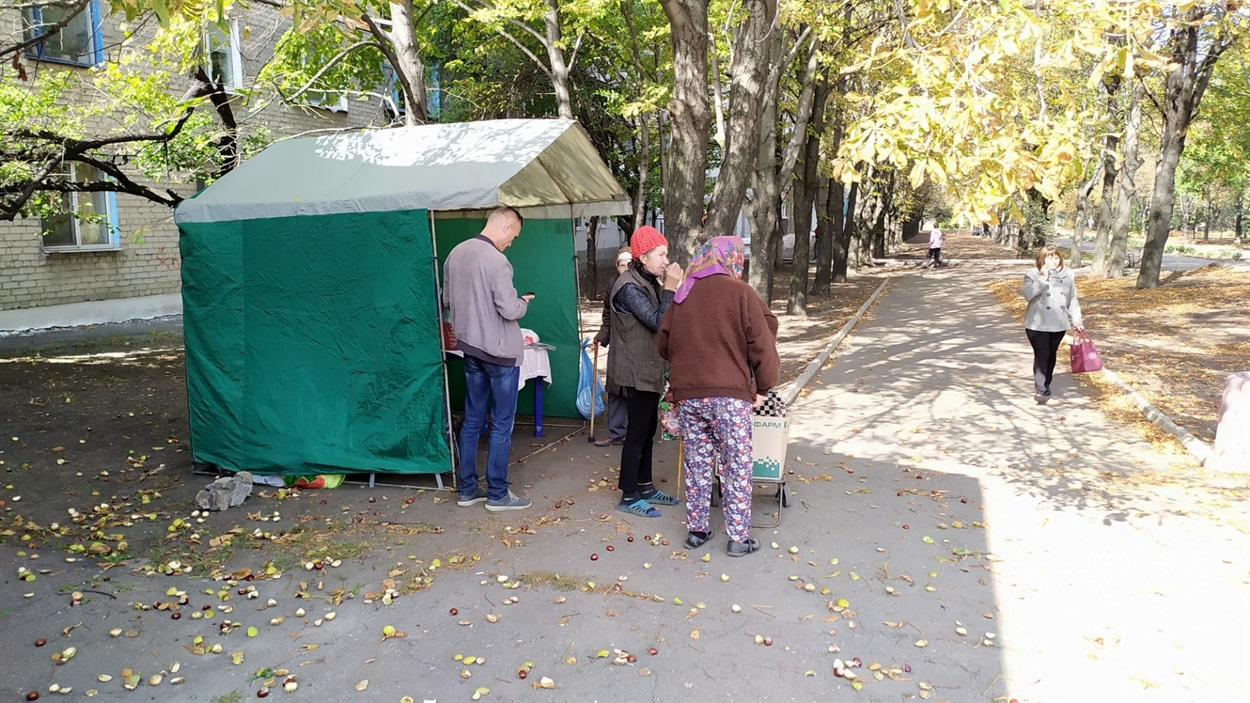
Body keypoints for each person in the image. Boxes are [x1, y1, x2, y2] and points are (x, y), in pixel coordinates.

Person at [656, 236, 779, 557]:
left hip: (689, 396)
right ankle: (738, 538)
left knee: (698, 463)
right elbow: (764, 343)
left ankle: (697, 530)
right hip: (729, 396)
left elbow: (662, 345)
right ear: (733, 260)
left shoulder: (683, 295)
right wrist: (763, 387)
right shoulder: (741, 293)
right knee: (736, 463)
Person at [443, 206, 534, 511]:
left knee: (472, 420)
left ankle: (467, 489)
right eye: (515, 236)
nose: (512, 242)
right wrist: (523, 302)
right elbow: (509, 310)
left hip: (469, 349)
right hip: (500, 354)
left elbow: (446, 300)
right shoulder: (498, 261)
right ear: (506, 227)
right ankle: (498, 493)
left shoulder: (454, 254)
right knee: (501, 424)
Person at [608, 226, 684, 518]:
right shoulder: (628, 286)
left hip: (649, 369)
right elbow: (656, 321)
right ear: (643, 256)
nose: (666, 260)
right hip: (633, 371)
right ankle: (628, 495)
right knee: (637, 432)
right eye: (661, 255)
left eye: (666, 254)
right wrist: (670, 289)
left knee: (648, 430)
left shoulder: (647, 281)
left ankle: (646, 485)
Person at [1021, 244, 1084, 404]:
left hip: (1059, 323)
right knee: (1042, 354)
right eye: (1050, 257)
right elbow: (1028, 295)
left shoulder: (1068, 274)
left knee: (1051, 354)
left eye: (1056, 257)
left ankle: (1046, 382)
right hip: (1037, 323)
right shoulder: (1032, 273)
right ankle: (1040, 388)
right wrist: (1043, 277)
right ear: (1042, 259)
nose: (1054, 261)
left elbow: (1072, 299)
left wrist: (1077, 321)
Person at [592, 247, 633, 447]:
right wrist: (602, 336)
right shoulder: (612, 284)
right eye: (621, 264)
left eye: (629, 264)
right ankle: (616, 432)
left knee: (635, 389)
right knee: (615, 388)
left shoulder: (642, 284)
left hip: (637, 346)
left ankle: (636, 433)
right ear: (617, 266)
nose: (625, 268)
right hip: (618, 344)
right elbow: (607, 315)